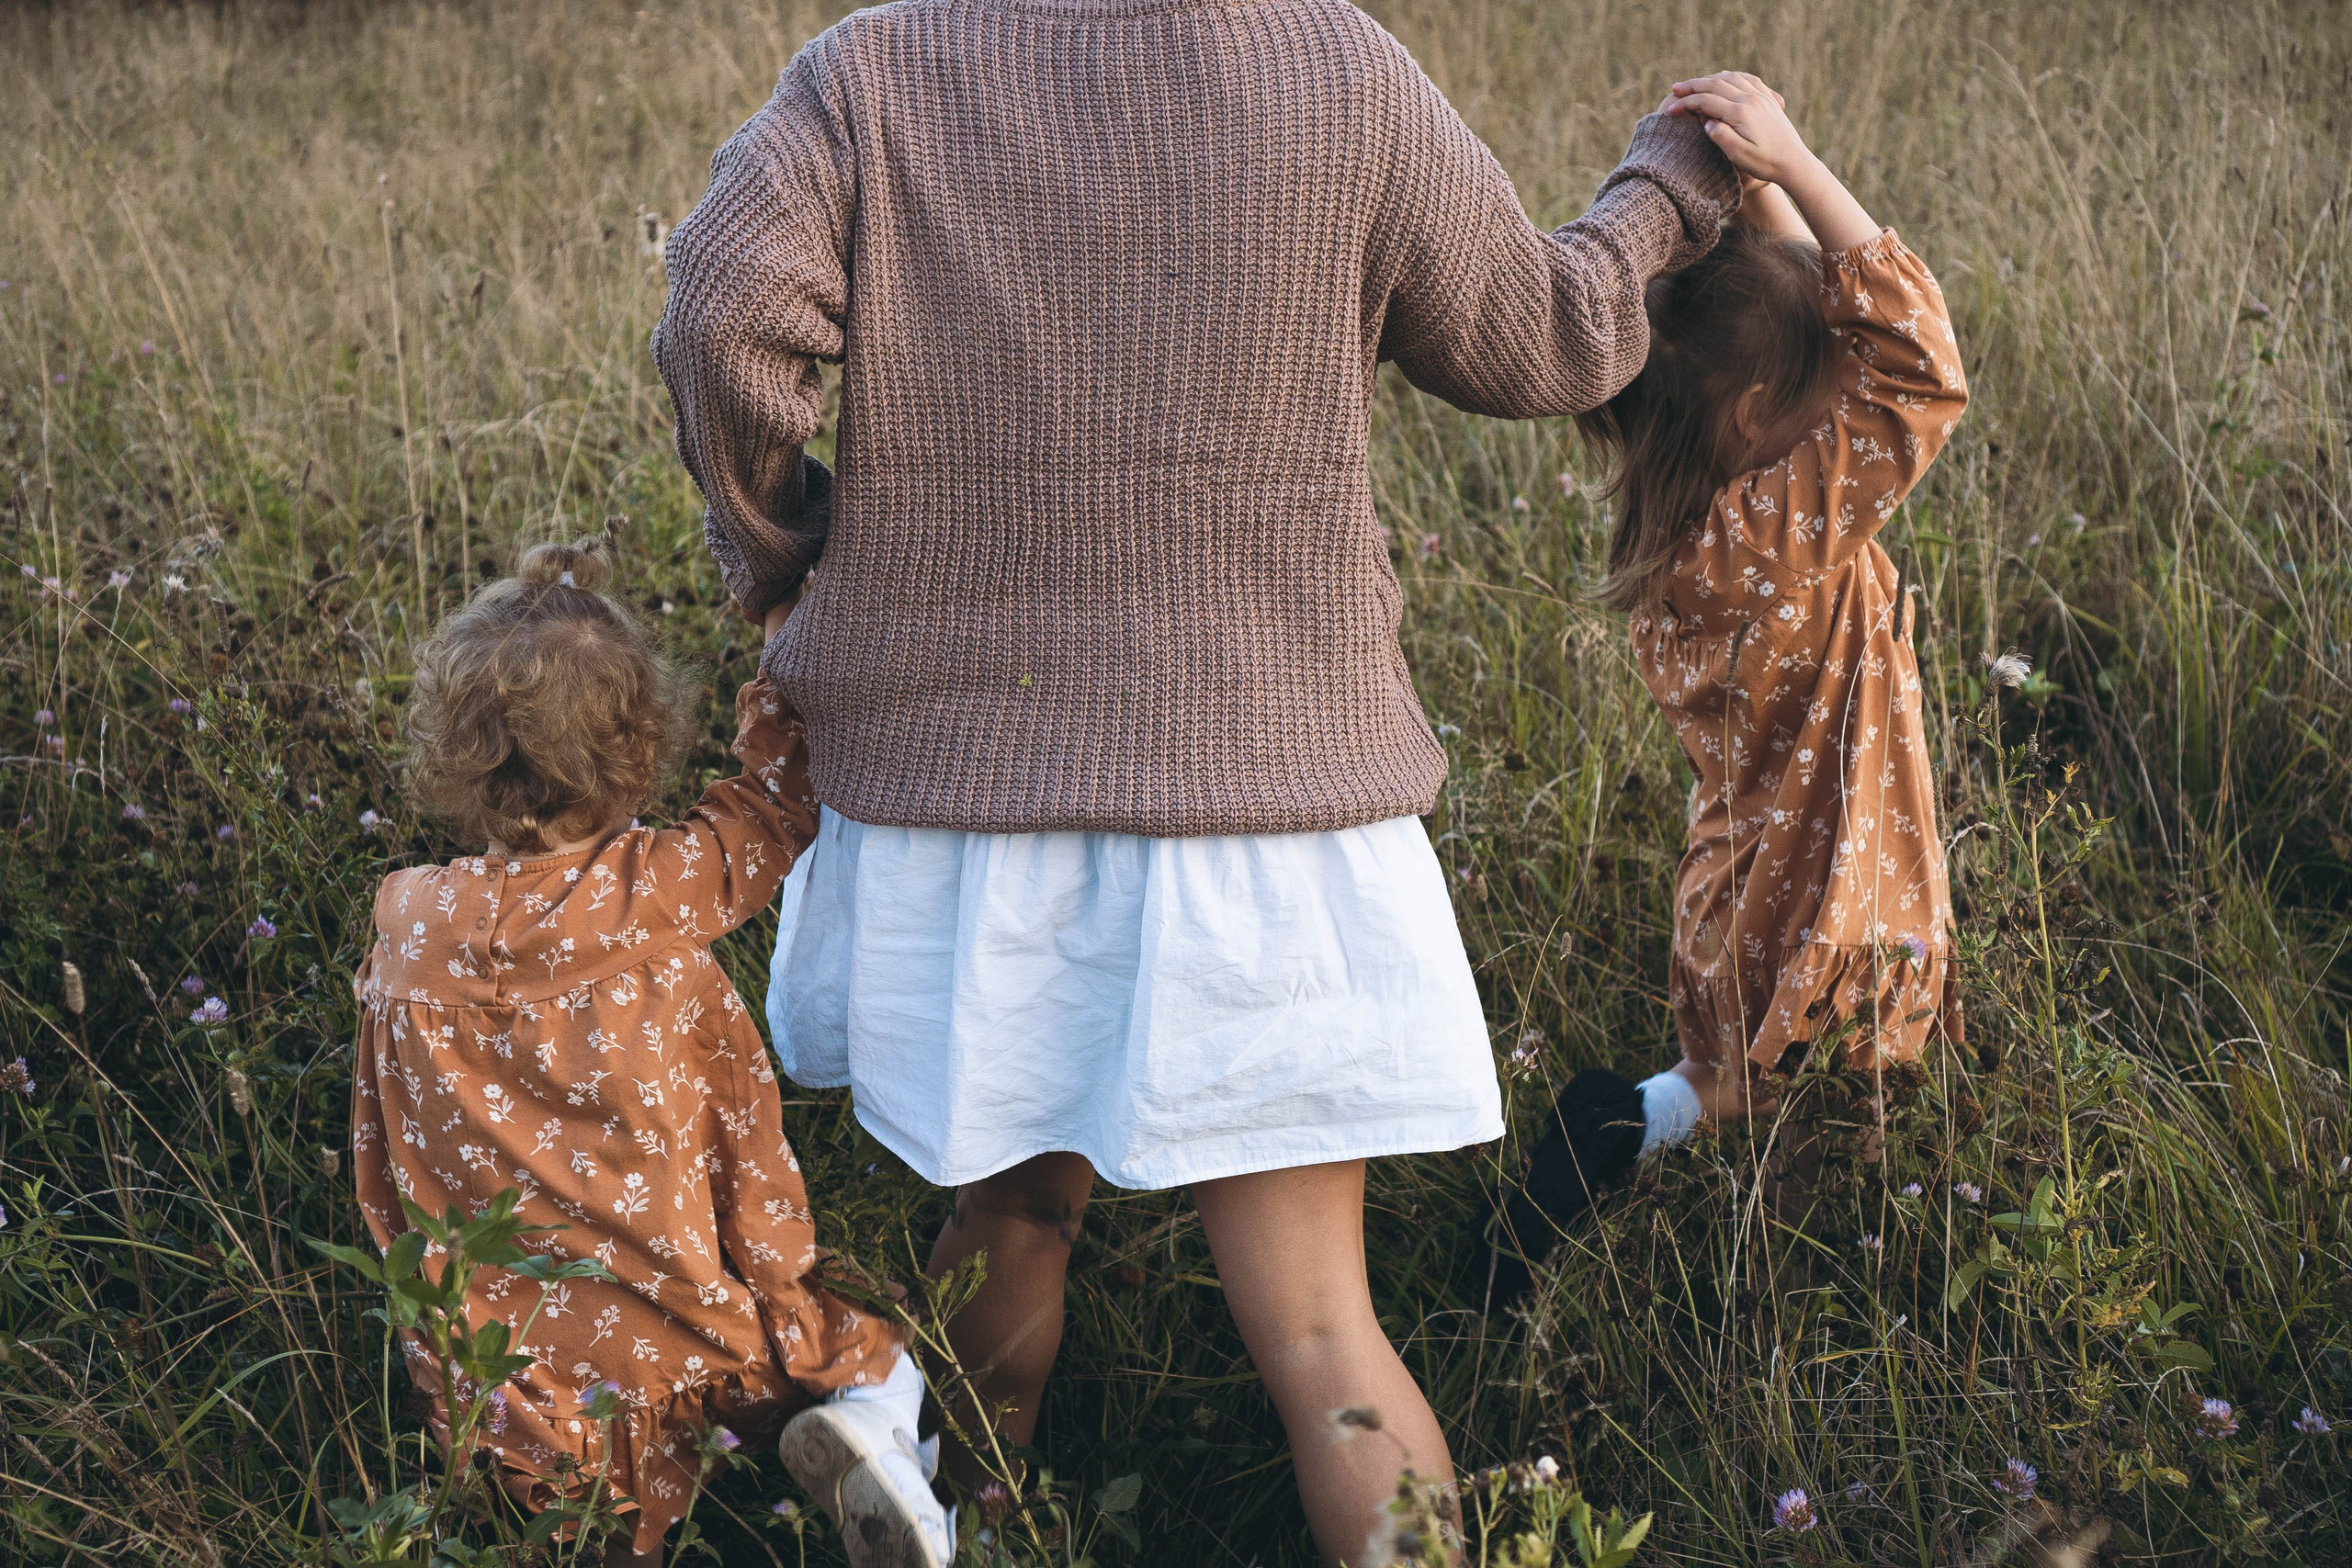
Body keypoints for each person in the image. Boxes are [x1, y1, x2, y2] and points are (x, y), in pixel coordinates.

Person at [651, 0, 1741, 1555]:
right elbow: (1546, 336)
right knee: (1320, 1333)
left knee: (1011, 1221)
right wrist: (1672, 187)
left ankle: (979, 1526)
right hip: (1272, 795)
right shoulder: (1340, 68)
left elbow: (718, 306)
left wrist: (791, 552)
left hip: (976, 796)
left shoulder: (877, 66)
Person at [347, 535, 953, 1567]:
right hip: (679, 1309)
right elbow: (772, 804)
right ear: (637, 745)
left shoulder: (409, 924)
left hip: (507, 1351)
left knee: (571, 1518)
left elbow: (383, 1145)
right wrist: (783, 657)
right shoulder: (658, 889)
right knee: (867, 1361)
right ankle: (881, 1441)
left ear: (456, 752)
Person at [1490, 73, 1971, 1304]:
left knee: (1742, 1079)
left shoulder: (1700, 530)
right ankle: (1791, 1312)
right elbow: (1917, 364)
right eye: (1818, 409)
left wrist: (1753, 193)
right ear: (1761, 419)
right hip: (1825, 887)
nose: (1839, 421)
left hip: (1733, 891)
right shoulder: (1783, 535)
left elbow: (1807, 324)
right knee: (1829, 1145)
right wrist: (1800, 164)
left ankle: (1624, 1124)